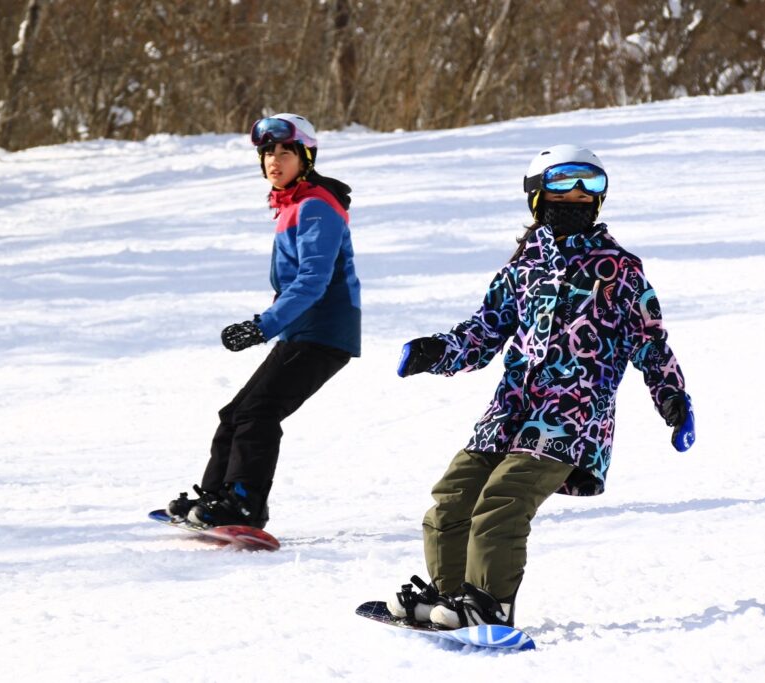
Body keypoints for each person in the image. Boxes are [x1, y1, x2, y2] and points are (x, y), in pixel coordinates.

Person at [385, 145, 695, 629]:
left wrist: (673, 398)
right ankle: (449, 598)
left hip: (573, 417)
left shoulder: (620, 269)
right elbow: (484, 331)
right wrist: (437, 351)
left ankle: (491, 603)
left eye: (589, 186)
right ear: (536, 196)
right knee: (453, 495)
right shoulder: (521, 268)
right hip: (508, 411)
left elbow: (650, 342)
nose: (575, 196)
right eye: (563, 185)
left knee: (504, 499)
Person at [166, 113, 361, 529]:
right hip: (302, 332)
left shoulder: (315, 208)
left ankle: (245, 504)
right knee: (235, 413)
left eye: (286, 152)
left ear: (305, 158)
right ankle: (217, 497)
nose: (275, 160)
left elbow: (313, 280)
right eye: (267, 152)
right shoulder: (293, 204)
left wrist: (263, 325)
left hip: (325, 333)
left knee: (258, 413)